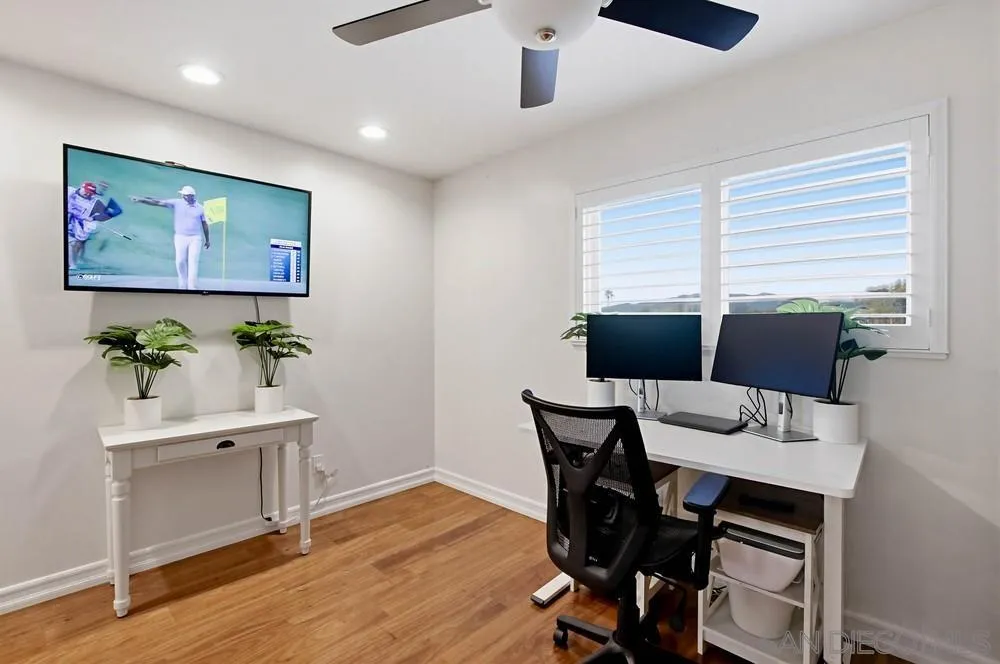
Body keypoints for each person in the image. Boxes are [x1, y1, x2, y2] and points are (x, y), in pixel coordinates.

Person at [131, 185, 210, 290]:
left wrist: (207, 239)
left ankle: (192, 287)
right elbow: (158, 202)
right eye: (183, 195)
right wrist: (142, 200)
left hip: (195, 238)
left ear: (191, 196)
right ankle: (182, 284)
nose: (183, 197)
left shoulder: (200, 208)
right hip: (180, 237)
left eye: (185, 195)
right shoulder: (177, 203)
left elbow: (205, 224)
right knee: (180, 261)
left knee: (193, 261)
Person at [67, 181, 117, 269]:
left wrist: (94, 218)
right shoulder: (69, 191)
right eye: (86, 191)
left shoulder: (95, 202)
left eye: (90, 193)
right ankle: (73, 262)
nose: (88, 194)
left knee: (77, 242)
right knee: (73, 242)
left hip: (81, 225)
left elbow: (107, 215)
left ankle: (73, 263)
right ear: (82, 188)